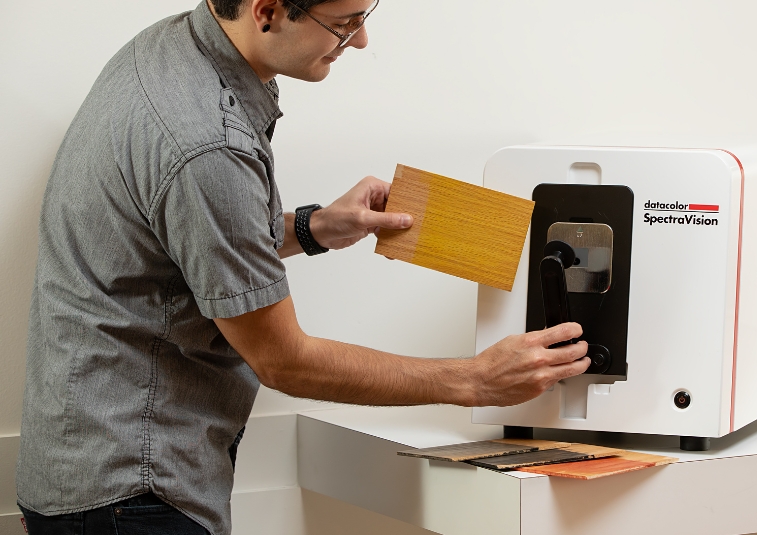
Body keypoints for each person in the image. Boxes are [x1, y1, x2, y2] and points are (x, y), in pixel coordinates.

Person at [16, 0, 591, 533]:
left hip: (87, 470)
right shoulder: (206, 143)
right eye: (344, 22)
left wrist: (310, 228)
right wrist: (474, 380)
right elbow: (284, 361)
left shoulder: (168, 51)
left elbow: (178, 244)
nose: (361, 40)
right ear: (268, 11)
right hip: (132, 492)